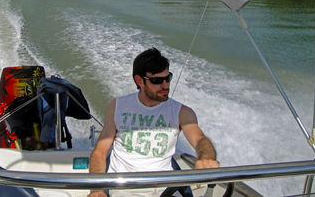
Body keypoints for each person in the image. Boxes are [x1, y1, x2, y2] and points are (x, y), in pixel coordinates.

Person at [88, 47, 219, 197]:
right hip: (122, 187)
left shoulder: (182, 112)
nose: (165, 85)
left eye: (167, 78)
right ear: (139, 81)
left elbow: (200, 140)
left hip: (163, 189)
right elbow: (100, 151)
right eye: (157, 80)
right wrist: (96, 190)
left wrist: (207, 157)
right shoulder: (118, 105)